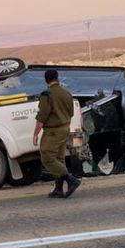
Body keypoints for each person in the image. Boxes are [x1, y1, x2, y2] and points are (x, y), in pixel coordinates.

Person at [33, 68, 80, 198]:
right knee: (59, 158)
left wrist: (36, 134)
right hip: (65, 128)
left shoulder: (47, 95)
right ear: (57, 78)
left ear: (46, 80)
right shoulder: (66, 93)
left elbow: (42, 116)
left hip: (52, 131)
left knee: (47, 157)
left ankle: (71, 179)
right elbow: (71, 113)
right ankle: (58, 188)